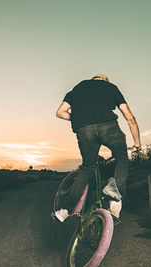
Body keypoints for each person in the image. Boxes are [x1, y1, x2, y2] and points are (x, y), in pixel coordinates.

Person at [54, 74, 141, 222]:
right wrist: (137, 144)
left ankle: (64, 210)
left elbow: (60, 112)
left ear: (93, 79)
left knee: (87, 169)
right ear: (105, 80)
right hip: (108, 127)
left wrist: (78, 118)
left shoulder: (76, 89)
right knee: (121, 158)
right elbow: (130, 117)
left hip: (84, 130)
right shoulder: (111, 88)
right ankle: (115, 196)